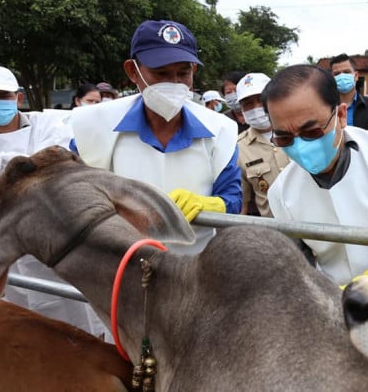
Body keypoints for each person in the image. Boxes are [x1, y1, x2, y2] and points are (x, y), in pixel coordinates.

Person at [70, 19, 241, 254]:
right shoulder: (93, 125)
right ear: (133, 71)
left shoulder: (220, 130)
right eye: (161, 73)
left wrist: (211, 204)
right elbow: (71, 193)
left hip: (193, 271)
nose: (174, 83)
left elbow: (232, 197)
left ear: (194, 71)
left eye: (183, 73)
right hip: (119, 266)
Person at [263, 65, 368, 285]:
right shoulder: (281, 191)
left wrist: (360, 291)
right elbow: (298, 267)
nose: (300, 146)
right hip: (331, 303)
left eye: (311, 132)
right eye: (284, 138)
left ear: (341, 116)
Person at [0, 65, 107, 338]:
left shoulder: (47, 125)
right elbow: (26, 168)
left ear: (18, 98)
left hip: (51, 243)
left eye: (2, 95)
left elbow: (49, 165)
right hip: (5, 247)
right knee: (18, 326)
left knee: (75, 324)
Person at [235, 72, 290, 217]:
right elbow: (242, 205)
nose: (256, 107)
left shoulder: (299, 131)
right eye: (248, 103)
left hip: (316, 229)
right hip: (275, 233)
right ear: (241, 109)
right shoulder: (238, 148)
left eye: (261, 99)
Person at [329, 53, 368, 132]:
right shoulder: (325, 108)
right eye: (337, 74)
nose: (342, 77)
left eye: (346, 72)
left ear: (356, 76)